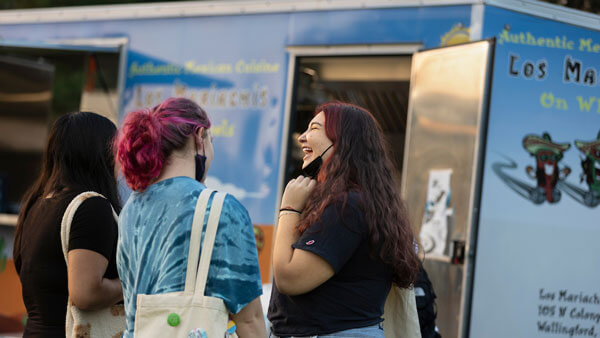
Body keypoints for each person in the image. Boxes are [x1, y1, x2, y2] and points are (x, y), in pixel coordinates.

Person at [115, 97, 266, 337]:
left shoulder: (131, 208)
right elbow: (251, 321)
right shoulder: (220, 209)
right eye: (212, 141)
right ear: (199, 136)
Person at [268, 101, 420, 337]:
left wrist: (289, 208)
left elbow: (289, 277)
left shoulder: (346, 205)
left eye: (315, 129)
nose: (302, 137)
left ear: (342, 141)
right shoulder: (362, 200)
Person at [13, 112, 123, 337]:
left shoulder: (37, 204)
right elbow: (85, 293)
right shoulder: (91, 206)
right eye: (116, 149)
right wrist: (130, 282)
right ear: (100, 154)